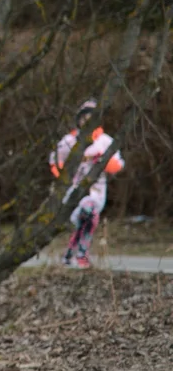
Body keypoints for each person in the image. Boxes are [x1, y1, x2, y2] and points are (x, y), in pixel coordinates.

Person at [50, 98, 125, 268]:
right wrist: (67, 172)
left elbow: (118, 164)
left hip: (97, 191)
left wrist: (102, 161)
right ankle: (81, 254)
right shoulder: (69, 141)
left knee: (88, 216)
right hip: (74, 190)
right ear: (79, 119)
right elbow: (55, 163)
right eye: (84, 118)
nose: (87, 122)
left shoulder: (105, 141)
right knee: (88, 215)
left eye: (92, 118)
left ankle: (71, 253)